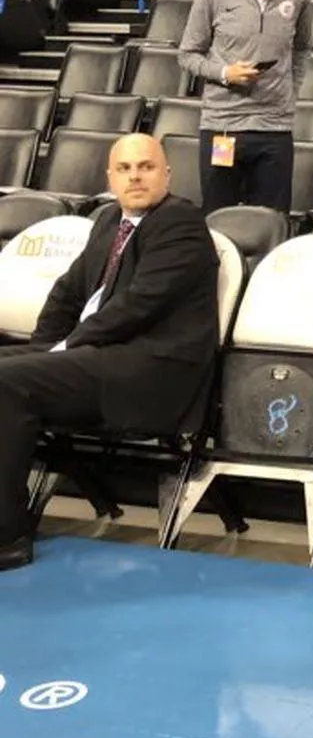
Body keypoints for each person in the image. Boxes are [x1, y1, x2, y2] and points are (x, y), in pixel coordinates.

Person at [0, 134, 221, 572]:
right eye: (124, 169)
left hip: (151, 372)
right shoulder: (108, 221)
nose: (135, 176)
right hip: (103, 358)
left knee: (8, 382)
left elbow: (137, 306)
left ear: (167, 174)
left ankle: (7, 537)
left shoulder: (181, 224)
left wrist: (59, 352)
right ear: (110, 177)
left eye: (146, 166)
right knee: (12, 370)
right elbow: (67, 292)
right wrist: (44, 349)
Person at [178, 0, 311, 214]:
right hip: (223, 126)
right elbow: (187, 55)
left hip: (275, 129)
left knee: (271, 221)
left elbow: (302, 49)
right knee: (218, 218)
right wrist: (225, 73)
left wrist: (291, 89)